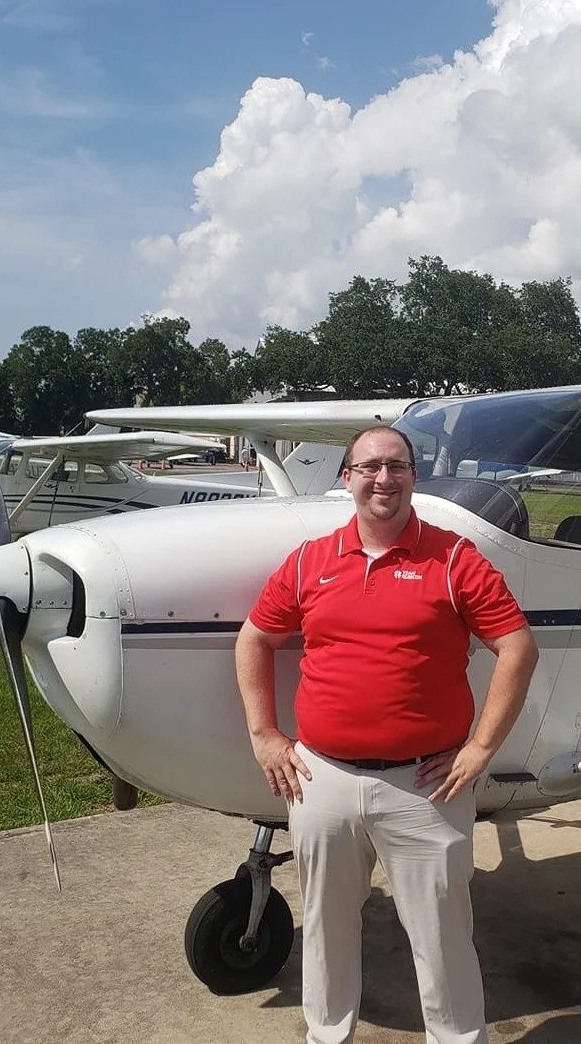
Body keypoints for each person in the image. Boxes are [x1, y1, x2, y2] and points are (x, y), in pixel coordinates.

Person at [235, 425, 538, 1044]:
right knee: (325, 926)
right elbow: (255, 639)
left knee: (442, 935)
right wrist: (264, 733)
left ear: (413, 478)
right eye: (369, 466)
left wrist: (480, 748)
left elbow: (517, 648)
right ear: (346, 477)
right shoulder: (309, 562)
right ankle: (327, 1034)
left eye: (397, 466)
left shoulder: (455, 559)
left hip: (425, 787)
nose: (383, 478)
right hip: (323, 778)